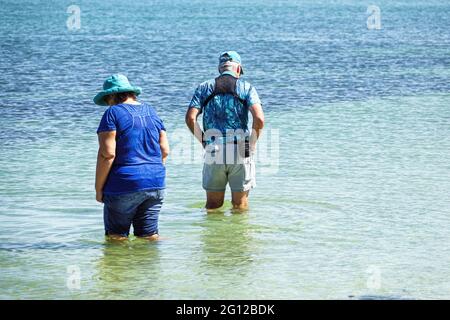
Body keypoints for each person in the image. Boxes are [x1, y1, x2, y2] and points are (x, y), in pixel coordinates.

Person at [185, 51, 264, 211]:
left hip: (214, 148)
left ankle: (213, 236)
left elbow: (190, 118)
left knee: (213, 206)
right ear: (238, 69)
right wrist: (252, 144)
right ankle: (237, 236)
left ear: (220, 68)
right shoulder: (246, 87)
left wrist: (204, 141)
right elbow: (259, 119)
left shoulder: (204, 87)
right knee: (239, 206)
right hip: (241, 148)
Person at [94, 74, 169, 240]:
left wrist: (98, 189)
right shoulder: (152, 111)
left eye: (107, 99)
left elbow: (107, 154)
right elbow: (165, 150)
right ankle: (151, 266)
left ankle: (120, 266)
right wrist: (150, 172)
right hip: (156, 182)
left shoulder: (112, 113)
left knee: (116, 239)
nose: (107, 103)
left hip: (124, 184)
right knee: (149, 237)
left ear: (112, 96)